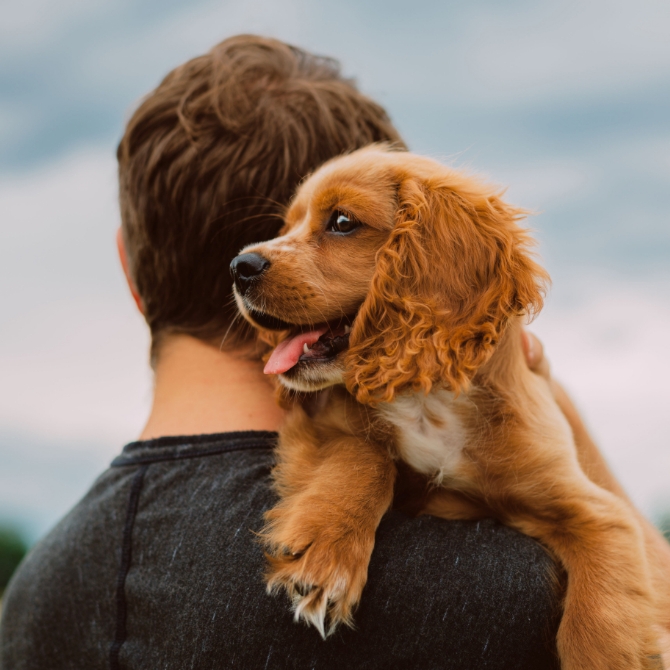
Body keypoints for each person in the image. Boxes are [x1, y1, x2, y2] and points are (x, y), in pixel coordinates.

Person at [1, 35, 667, 670]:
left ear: (128, 270)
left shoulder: (37, 594)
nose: (286, 251)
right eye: (293, 227)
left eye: (340, 226)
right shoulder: (517, 590)